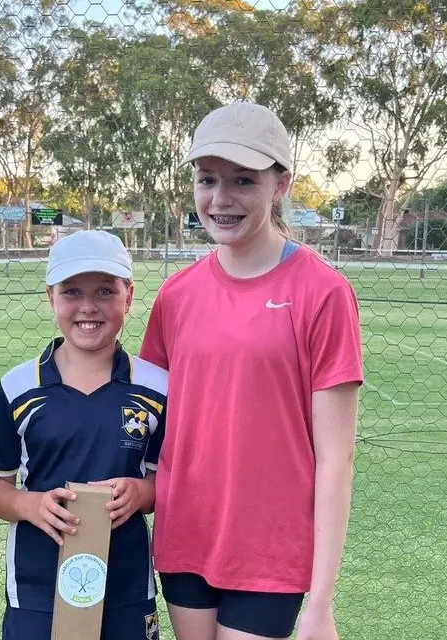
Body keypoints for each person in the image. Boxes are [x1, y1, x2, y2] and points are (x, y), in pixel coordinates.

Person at [140, 102, 364, 640]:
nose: (220, 199)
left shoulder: (323, 293)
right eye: (207, 180)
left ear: (280, 184)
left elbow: (336, 457)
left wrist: (322, 601)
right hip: (185, 540)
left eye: (243, 180)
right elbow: (146, 421)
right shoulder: (176, 295)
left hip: (270, 551)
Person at [0, 230, 167, 640]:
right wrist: (31, 506)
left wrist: (141, 493)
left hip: (126, 585)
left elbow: (166, 481)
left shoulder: (157, 388)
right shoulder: (18, 387)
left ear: (129, 296)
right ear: (51, 298)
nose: (88, 307)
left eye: (104, 291)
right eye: (72, 292)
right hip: (36, 587)